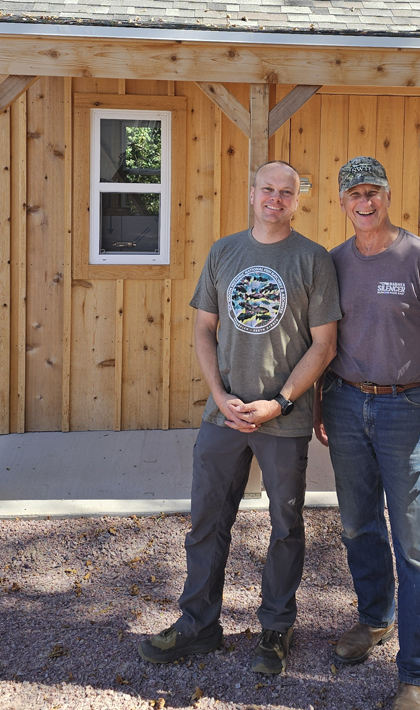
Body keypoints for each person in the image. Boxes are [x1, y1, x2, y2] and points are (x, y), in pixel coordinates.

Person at [139, 160, 340, 675]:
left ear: (298, 200)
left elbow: (324, 345)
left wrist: (282, 401)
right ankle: (198, 626)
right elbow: (204, 329)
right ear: (252, 194)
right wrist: (219, 393)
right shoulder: (224, 252)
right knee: (207, 521)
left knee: (285, 526)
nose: (276, 198)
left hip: (285, 420)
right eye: (268, 189)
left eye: (287, 192)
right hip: (221, 415)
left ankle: (276, 628)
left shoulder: (313, 259)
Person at [316, 156, 420, 710]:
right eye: (354, 192)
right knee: (358, 525)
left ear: (386, 195)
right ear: (340, 201)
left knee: (416, 545)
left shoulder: (419, 258)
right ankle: (376, 619)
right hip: (345, 404)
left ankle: (417, 678)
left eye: (373, 191)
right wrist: (317, 402)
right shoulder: (333, 263)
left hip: (412, 408)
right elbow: (322, 341)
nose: (364, 201)